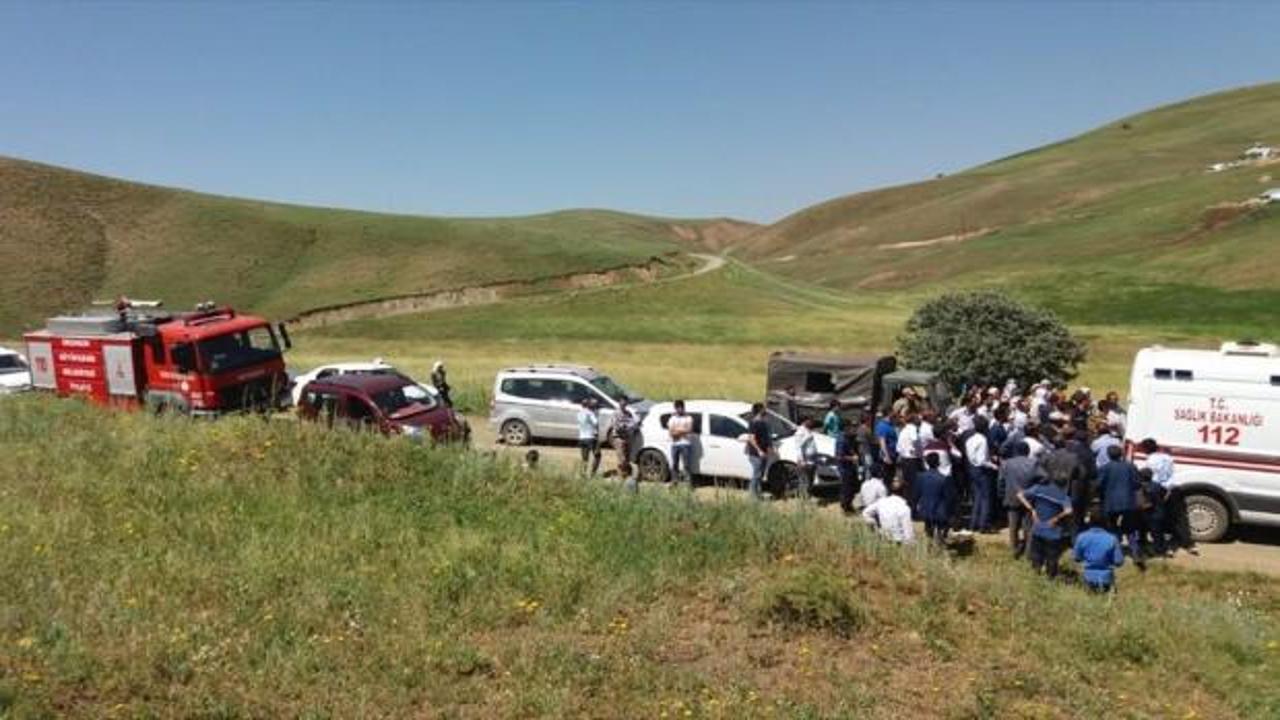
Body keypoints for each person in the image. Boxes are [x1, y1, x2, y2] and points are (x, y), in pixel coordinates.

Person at [1140, 438, 1197, 556]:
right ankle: (1188, 543)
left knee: (1157, 519)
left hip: (1159, 491)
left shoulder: (1150, 461)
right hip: (1173, 489)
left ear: (1146, 449)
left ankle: (1162, 547)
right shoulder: (1167, 457)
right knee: (1179, 518)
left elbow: (1154, 478)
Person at [1096, 444, 1145, 568]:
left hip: (1111, 503)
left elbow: (1099, 485)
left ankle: (1116, 555)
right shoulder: (1131, 467)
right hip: (1129, 502)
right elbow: (1138, 484)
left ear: (1108, 455)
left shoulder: (1104, 468)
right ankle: (1136, 554)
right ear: (1121, 454)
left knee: (1112, 528)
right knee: (1131, 529)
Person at [1018, 473, 1073, 578]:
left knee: (1037, 556)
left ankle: (1036, 576)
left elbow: (1020, 495)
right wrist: (1056, 518)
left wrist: (1032, 510)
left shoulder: (1039, 489)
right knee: (1052, 558)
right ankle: (1050, 578)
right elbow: (1069, 511)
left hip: (1037, 529)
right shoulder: (1063, 496)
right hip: (1054, 533)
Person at [999, 441, 1042, 559]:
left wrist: (1002, 495)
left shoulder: (1006, 464)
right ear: (1028, 451)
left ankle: (1014, 550)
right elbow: (1044, 478)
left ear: (1015, 451)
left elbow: (1001, 482)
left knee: (1013, 527)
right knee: (1028, 527)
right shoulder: (1034, 463)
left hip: (1011, 498)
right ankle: (1028, 552)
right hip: (1029, 500)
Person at [1073, 512, 1125, 593]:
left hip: (1088, 578)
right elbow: (1119, 562)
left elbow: (1077, 558)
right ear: (1106, 523)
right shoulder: (1112, 538)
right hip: (1106, 578)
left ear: (1089, 522)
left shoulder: (1081, 537)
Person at [965, 416, 997, 532]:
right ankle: (984, 525)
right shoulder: (982, 440)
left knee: (977, 497)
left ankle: (974, 523)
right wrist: (994, 466)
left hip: (972, 468)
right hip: (981, 470)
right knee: (986, 498)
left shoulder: (970, 439)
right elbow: (982, 461)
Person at [862, 480, 915, 544]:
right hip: (898, 541)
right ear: (904, 493)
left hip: (884, 538)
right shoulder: (904, 508)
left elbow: (865, 513)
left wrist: (874, 524)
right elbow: (908, 532)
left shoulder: (881, 502)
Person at [916, 453, 953, 545]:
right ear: (939, 463)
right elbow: (948, 498)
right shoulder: (944, 479)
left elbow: (916, 494)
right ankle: (940, 541)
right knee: (941, 529)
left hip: (925, 510)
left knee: (929, 530)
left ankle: (930, 543)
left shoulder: (920, 477)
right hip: (939, 511)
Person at [896, 413, 924, 512]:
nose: (920, 421)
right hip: (912, 460)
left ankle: (909, 507)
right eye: (919, 419)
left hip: (905, 460)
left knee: (908, 485)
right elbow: (915, 440)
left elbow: (898, 448)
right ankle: (914, 509)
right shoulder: (912, 428)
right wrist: (919, 452)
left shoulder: (903, 430)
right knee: (915, 485)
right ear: (914, 420)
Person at [745, 402, 773, 500]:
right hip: (755, 453)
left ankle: (758, 493)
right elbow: (752, 438)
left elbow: (766, 437)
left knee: (761, 474)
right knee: (756, 474)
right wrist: (759, 450)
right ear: (760, 410)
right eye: (764, 408)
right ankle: (752, 496)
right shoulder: (754, 423)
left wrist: (769, 448)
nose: (765, 410)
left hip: (764, 451)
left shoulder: (763, 422)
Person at [607, 398, 639, 482]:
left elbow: (633, 424)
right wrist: (627, 426)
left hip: (627, 438)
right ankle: (621, 477)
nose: (624, 403)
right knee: (622, 459)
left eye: (625, 401)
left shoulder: (629, 413)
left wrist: (628, 426)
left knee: (627, 459)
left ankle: (627, 477)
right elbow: (616, 427)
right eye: (622, 401)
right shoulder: (615, 414)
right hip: (619, 438)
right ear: (619, 402)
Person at [667, 399, 695, 487]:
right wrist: (683, 430)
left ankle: (688, 483)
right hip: (675, 444)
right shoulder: (672, 418)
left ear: (683, 408)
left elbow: (689, 429)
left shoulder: (688, 418)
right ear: (675, 408)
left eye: (680, 407)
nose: (679, 409)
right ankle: (674, 481)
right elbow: (671, 432)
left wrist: (677, 431)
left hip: (686, 444)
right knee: (674, 464)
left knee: (686, 465)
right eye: (677, 408)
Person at [836, 424, 861, 514]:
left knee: (852, 488)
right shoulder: (842, 440)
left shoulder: (850, 437)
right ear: (846, 428)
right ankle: (845, 508)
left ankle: (849, 505)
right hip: (845, 468)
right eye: (852, 428)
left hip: (851, 467)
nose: (854, 430)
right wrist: (852, 458)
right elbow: (839, 456)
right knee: (846, 489)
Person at [793, 417, 818, 499]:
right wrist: (801, 460)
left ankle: (808, 496)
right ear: (805, 421)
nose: (811, 422)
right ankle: (803, 498)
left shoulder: (808, 431)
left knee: (810, 480)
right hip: (805, 460)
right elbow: (798, 447)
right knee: (804, 481)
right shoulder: (800, 432)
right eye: (810, 421)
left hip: (812, 460)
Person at [576, 397, 602, 475]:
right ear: (589, 405)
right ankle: (592, 474)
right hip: (591, 437)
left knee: (585, 458)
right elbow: (596, 422)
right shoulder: (590, 413)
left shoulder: (579, 413)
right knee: (597, 456)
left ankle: (583, 474)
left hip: (582, 438)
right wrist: (596, 414)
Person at [873, 409, 898, 483]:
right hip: (888, 455)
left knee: (892, 474)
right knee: (887, 476)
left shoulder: (890, 425)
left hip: (893, 454)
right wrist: (886, 456)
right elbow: (882, 442)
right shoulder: (882, 426)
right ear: (889, 414)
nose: (895, 414)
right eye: (893, 413)